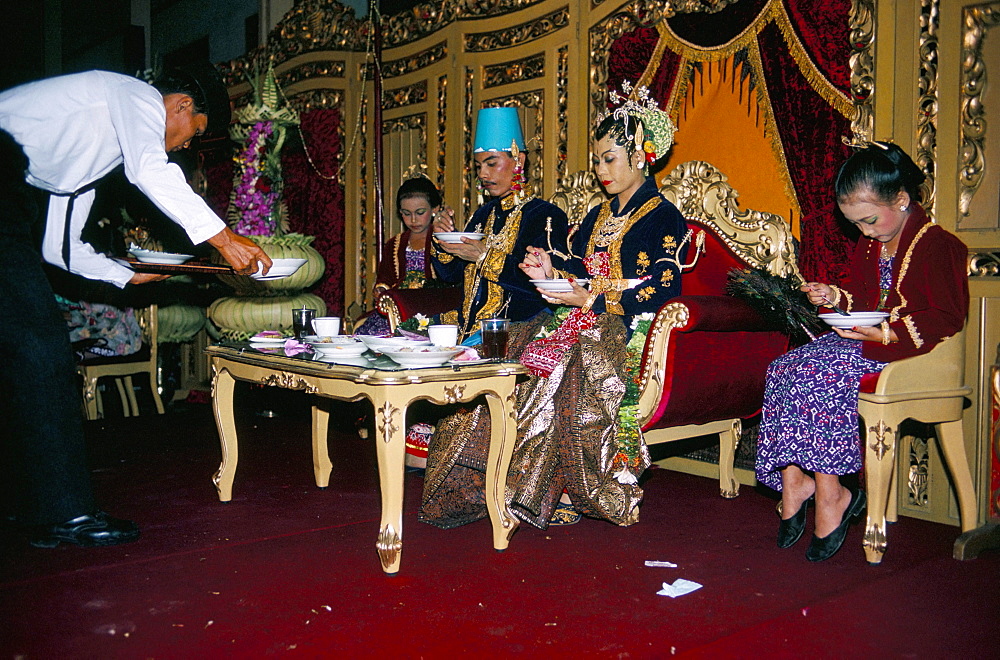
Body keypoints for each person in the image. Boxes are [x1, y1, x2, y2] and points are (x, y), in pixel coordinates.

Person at [0, 64, 272, 548]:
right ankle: (66, 513)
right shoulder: (136, 95)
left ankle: (34, 505)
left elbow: (58, 248)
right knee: (40, 352)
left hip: (11, 187)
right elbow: (149, 169)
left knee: (29, 355)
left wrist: (127, 274)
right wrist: (223, 238)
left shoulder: (91, 154)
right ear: (183, 107)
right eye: (196, 134)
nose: (187, 145)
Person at [420, 85, 690, 529]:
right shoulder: (600, 215)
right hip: (572, 316)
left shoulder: (663, 217)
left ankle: (535, 490)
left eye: (610, 158)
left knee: (557, 362)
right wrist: (548, 267)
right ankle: (484, 481)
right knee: (510, 356)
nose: (601, 169)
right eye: (598, 159)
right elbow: (573, 259)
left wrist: (593, 298)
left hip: (618, 324)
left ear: (641, 156)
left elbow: (663, 289)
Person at [755, 141, 969, 562]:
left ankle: (832, 492)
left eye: (869, 220)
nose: (865, 232)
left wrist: (885, 335)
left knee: (821, 373)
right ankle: (795, 479)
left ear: (903, 200)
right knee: (782, 368)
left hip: (911, 350)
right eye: (857, 224)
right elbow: (865, 299)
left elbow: (946, 317)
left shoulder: (940, 245)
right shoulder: (872, 244)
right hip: (871, 344)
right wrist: (833, 295)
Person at [430, 107, 568, 337]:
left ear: (519, 160)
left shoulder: (544, 216)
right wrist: (442, 240)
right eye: (478, 166)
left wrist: (485, 257)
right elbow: (451, 277)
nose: (483, 174)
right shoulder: (482, 215)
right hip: (464, 327)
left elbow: (542, 289)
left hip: (512, 331)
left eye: (491, 164)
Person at [355, 175, 445, 336]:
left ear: (435, 209)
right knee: (368, 334)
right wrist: (381, 289)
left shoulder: (445, 240)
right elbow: (385, 278)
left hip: (431, 307)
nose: (413, 219)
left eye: (420, 212)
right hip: (398, 306)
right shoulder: (394, 243)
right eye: (406, 213)